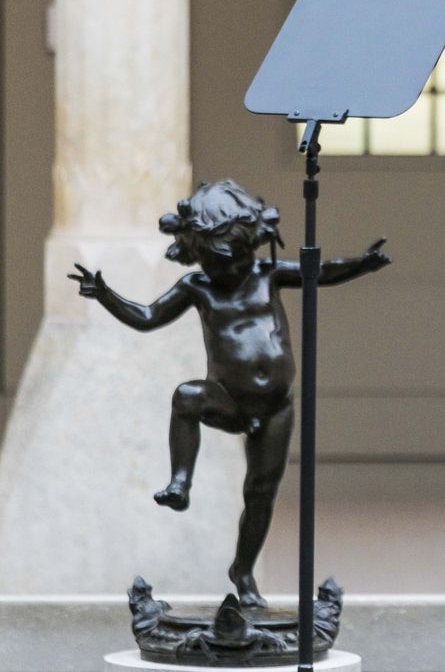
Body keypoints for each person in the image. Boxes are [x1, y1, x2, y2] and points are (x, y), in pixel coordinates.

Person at [69, 179, 390, 608]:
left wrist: (362, 265)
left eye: (236, 260)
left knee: (260, 492)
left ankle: (243, 570)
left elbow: (320, 273)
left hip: (276, 406)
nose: (229, 271)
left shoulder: (268, 274)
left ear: (250, 248)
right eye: (217, 262)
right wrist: (105, 295)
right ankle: (181, 482)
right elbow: (148, 317)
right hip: (229, 400)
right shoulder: (196, 288)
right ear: (198, 253)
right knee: (186, 396)